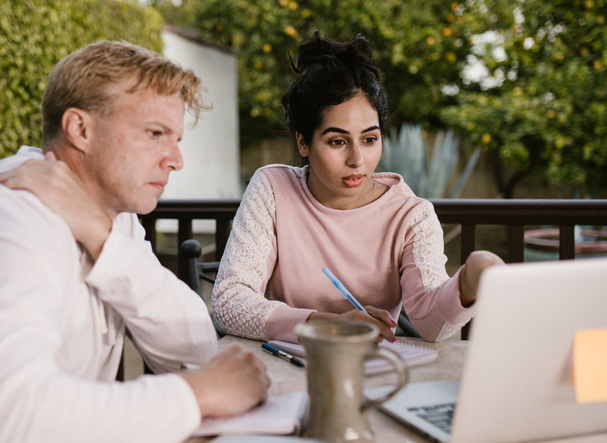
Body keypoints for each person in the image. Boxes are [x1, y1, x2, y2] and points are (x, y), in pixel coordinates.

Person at [0, 41, 269, 443]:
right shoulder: (14, 221)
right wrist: (197, 393)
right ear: (80, 129)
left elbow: (194, 344)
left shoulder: (113, 215)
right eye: (155, 133)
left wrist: (103, 239)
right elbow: (1, 423)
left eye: (176, 139)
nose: (175, 159)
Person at [212, 31, 504, 344]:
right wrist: (328, 325)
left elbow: (433, 325)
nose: (357, 160)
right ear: (302, 141)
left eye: (369, 139)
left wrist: (468, 282)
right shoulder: (273, 189)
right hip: (285, 370)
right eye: (337, 141)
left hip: (375, 375)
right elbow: (229, 303)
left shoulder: (411, 216)